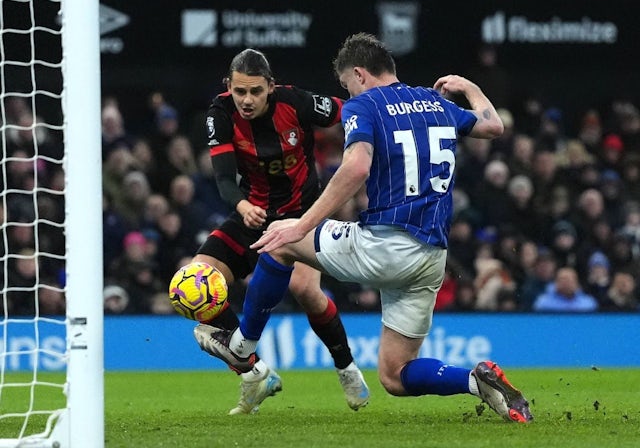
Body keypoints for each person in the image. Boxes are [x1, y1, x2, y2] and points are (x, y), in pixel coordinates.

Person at [194, 33, 533, 422]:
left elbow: (356, 167)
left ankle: (241, 347)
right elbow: (493, 127)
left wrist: (303, 224)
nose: (347, 92)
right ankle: (477, 380)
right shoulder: (435, 101)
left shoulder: (365, 104)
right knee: (395, 374)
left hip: (387, 242)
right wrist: (469, 87)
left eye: (346, 85)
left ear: (358, 74)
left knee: (279, 239)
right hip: (432, 257)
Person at [190, 48, 369, 414]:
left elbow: (352, 108)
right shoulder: (220, 113)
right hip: (252, 214)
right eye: (240, 91)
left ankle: (346, 367)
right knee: (194, 284)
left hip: (302, 216)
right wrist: (242, 206)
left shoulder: (297, 102)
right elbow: (224, 179)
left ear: (271, 87)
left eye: (255, 91)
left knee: (304, 289)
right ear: (229, 87)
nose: (247, 100)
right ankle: (254, 373)